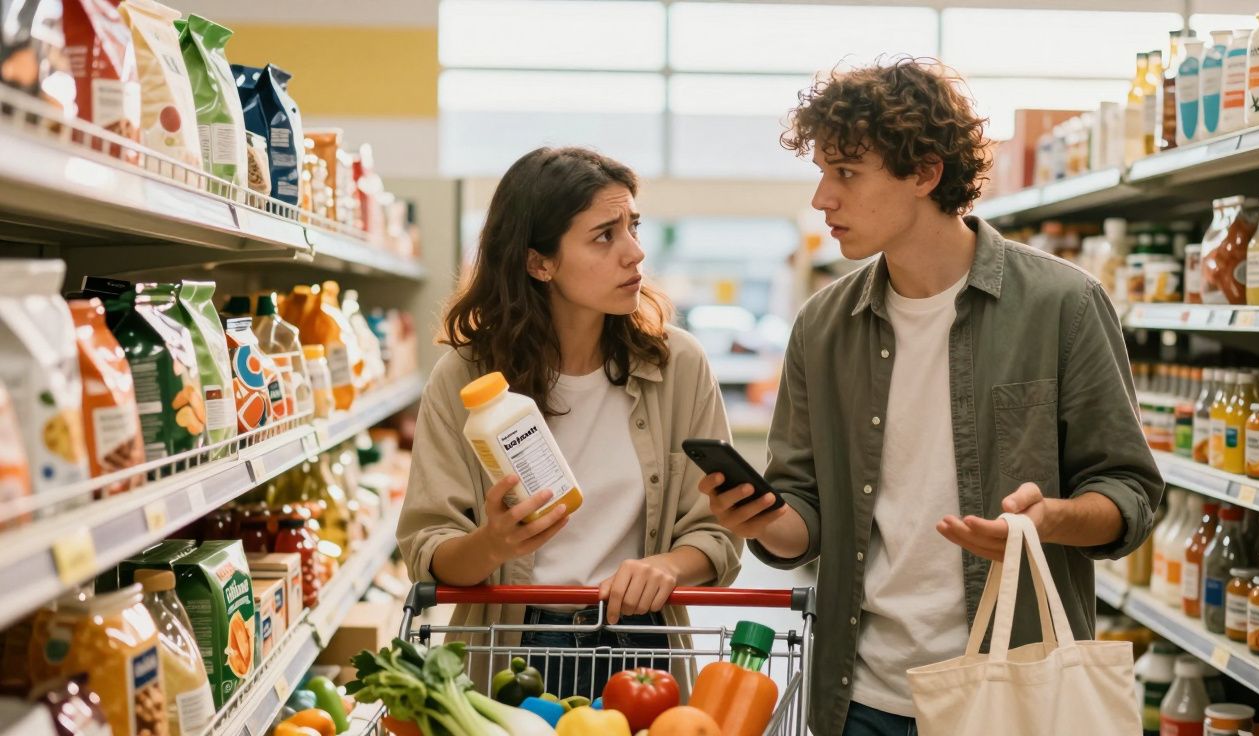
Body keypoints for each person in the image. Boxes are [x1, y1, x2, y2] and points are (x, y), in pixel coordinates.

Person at [699, 58, 1163, 736]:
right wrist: (761, 517)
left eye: (846, 173)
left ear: (924, 173)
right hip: (858, 698)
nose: (822, 198)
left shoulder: (1062, 305)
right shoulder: (824, 328)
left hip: (1013, 692)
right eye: (822, 172)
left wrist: (1050, 519)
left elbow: (1131, 494)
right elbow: (805, 514)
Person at [398, 146, 741, 698]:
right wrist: (493, 544)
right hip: (512, 649)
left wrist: (668, 567)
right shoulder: (464, 378)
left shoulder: (677, 366)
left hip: (642, 648)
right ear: (540, 262)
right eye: (604, 236)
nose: (635, 253)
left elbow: (716, 531)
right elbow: (428, 548)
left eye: (633, 226)